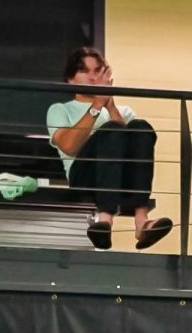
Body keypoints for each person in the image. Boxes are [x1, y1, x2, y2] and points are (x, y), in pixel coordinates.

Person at [46, 47, 172, 252]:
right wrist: (96, 105)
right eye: (85, 71)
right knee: (112, 129)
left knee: (141, 127)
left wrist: (110, 105)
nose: (93, 77)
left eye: (98, 71)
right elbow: (68, 146)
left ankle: (142, 222)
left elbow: (131, 149)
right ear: (71, 79)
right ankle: (105, 219)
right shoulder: (60, 109)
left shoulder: (123, 112)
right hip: (84, 178)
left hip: (120, 178)